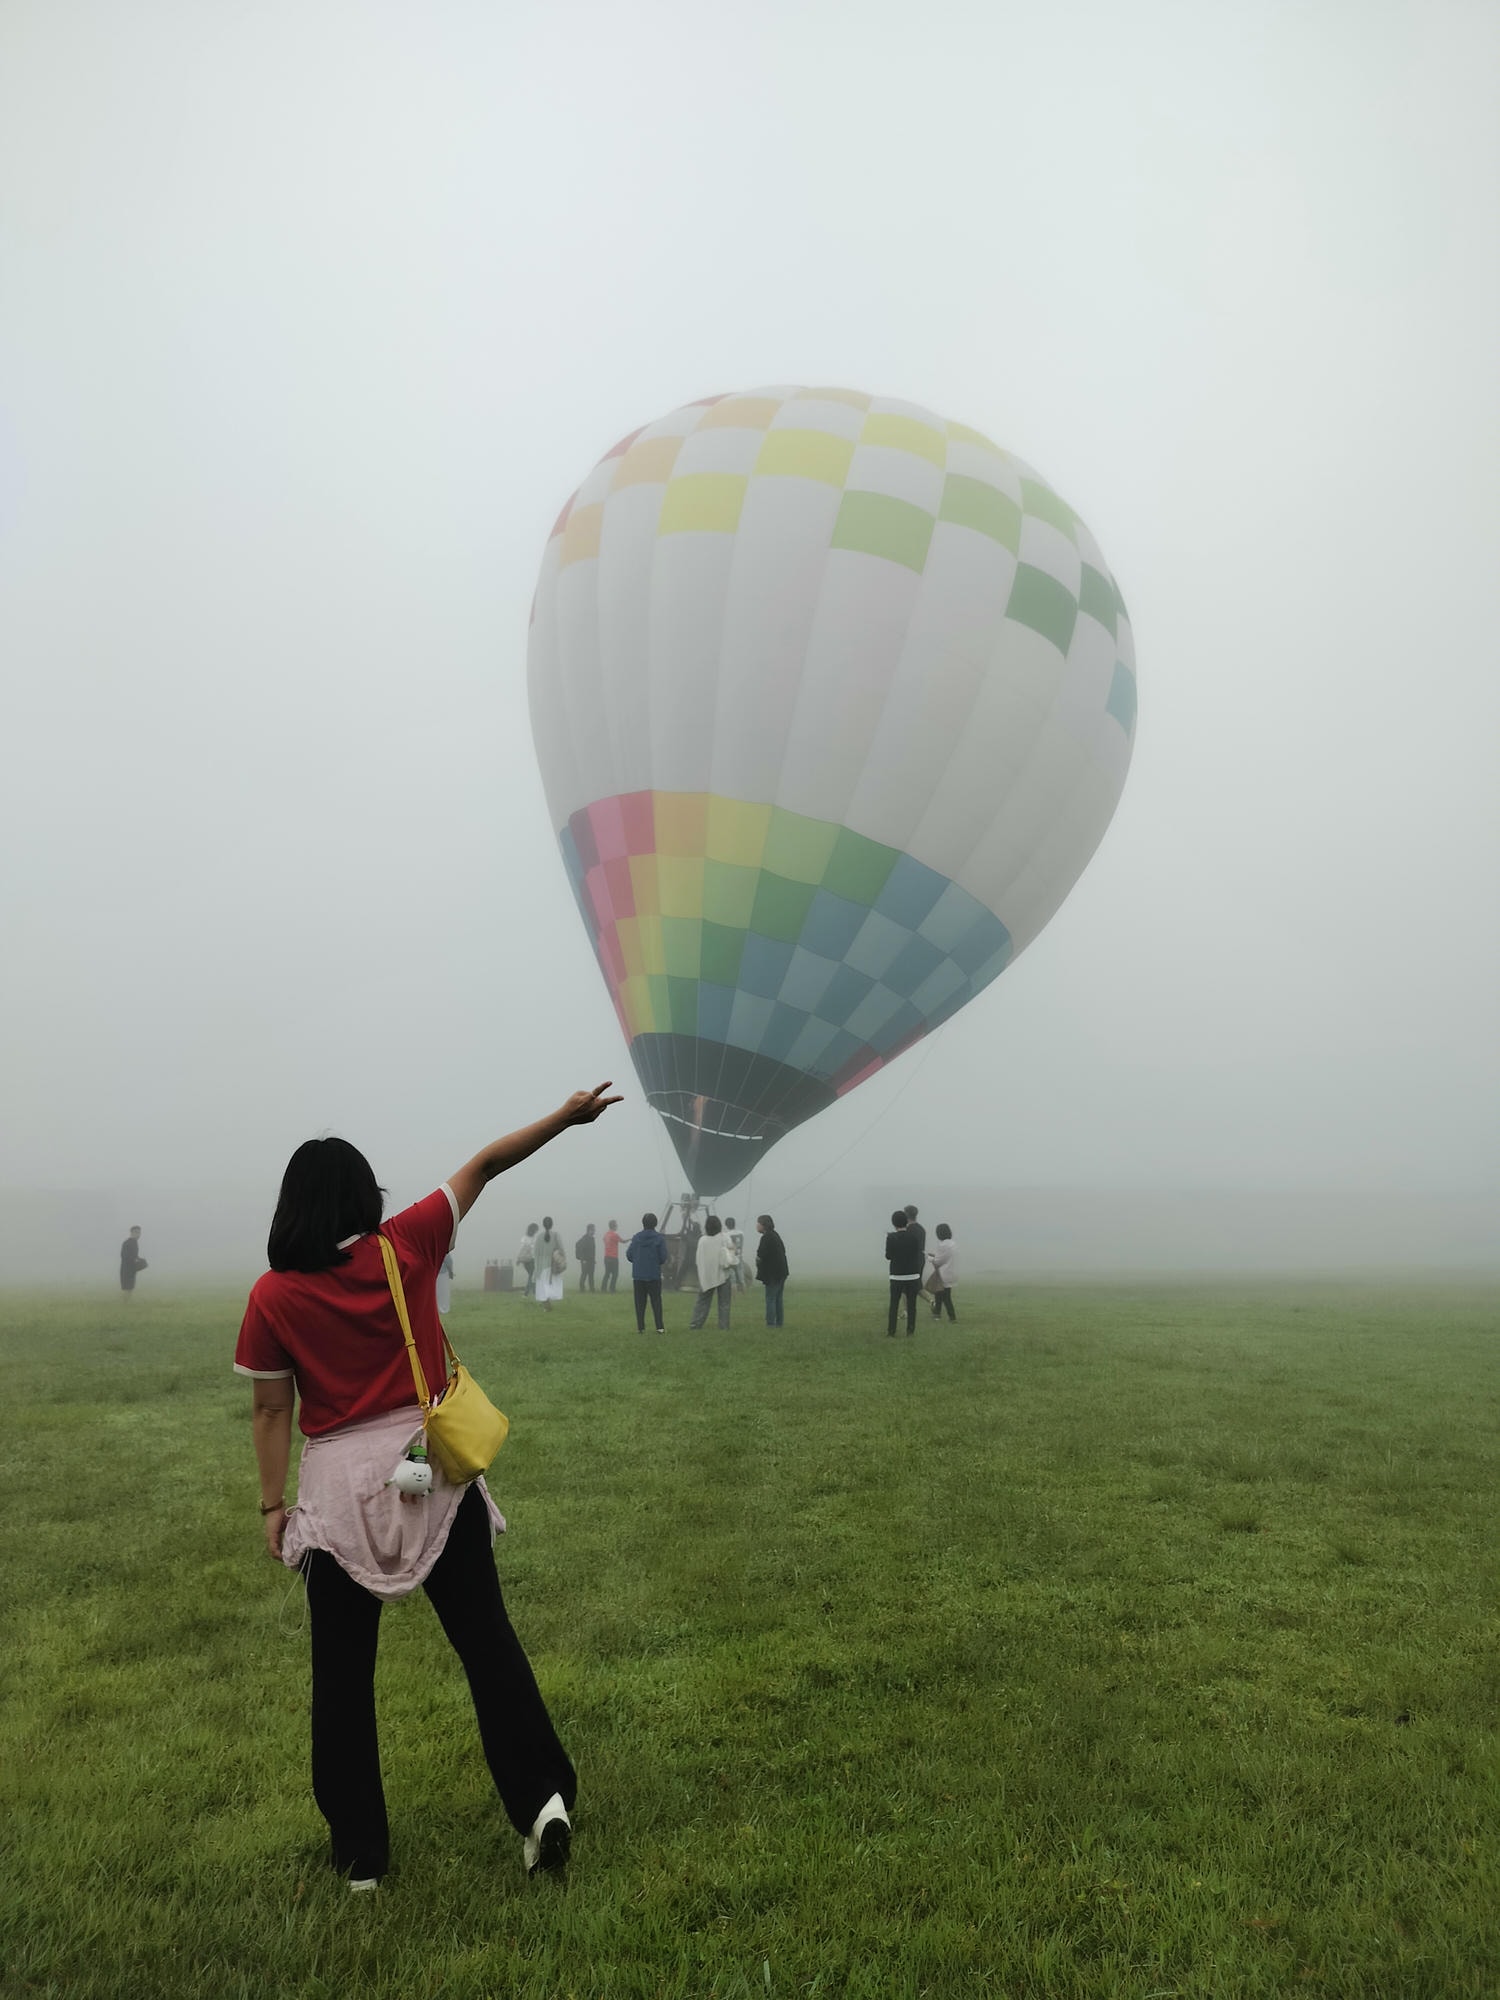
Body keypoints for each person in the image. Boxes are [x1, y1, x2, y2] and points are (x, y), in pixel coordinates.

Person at [234, 1081, 621, 1890]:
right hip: (431, 1467)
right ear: (363, 1197)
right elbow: (486, 1164)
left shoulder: (272, 1296)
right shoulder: (405, 1244)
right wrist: (566, 1117)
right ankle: (542, 1802)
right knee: (486, 1643)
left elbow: (272, 1409)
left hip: (337, 1495)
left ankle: (360, 1859)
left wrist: (273, 1507)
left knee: (343, 1677)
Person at [689, 1216, 734, 1330]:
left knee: (702, 1302)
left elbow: (698, 1259)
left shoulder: (702, 1240)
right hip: (723, 1274)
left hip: (707, 1275)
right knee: (724, 1303)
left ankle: (695, 1325)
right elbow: (731, 1254)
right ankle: (724, 1327)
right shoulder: (724, 1237)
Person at [625, 1213, 667, 1332]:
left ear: (643, 1223)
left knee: (639, 1303)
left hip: (638, 1275)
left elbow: (629, 1255)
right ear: (655, 1224)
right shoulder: (659, 1238)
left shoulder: (636, 1238)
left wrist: (638, 1260)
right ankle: (659, 1327)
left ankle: (641, 1327)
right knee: (656, 1302)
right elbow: (663, 1257)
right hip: (654, 1275)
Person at [885, 1208, 922, 1336]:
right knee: (912, 1305)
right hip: (912, 1275)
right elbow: (916, 1253)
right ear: (906, 1222)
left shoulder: (891, 1238)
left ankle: (891, 1332)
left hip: (896, 1276)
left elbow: (888, 1256)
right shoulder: (914, 1238)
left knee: (894, 1304)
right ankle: (910, 1331)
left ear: (894, 1223)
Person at [754, 1215, 788, 1326]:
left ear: (763, 1225)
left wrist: (758, 1263)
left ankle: (770, 1324)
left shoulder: (766, 1237)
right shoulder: (775, 1235)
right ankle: (779, 1323)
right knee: (778, 1298)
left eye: (758, 1223)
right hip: (782, 1272)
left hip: (772, 1273)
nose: (756, 1225)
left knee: (771, 1299)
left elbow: (760, 1255)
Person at [533, 1217, 565, 1312]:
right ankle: (547, 1306)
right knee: (551, 1286)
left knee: (543, 1287)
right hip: (552, 1266)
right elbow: (561, 1250)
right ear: (552, 1224)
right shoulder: (556, 1235)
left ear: (543, 1225)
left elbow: (536, 1253)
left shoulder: (539, 1237)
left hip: (541, 1266)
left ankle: (546, 1305)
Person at [927, 1224, 957, 1320]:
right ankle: (937, 1314)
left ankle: (952, 1317)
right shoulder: (953, 1244)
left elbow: (938, 1261)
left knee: (945, 1296)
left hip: (942, 1273)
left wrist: (930, 1258)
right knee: (939, 1293)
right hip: (951, 1273)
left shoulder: (943, 1245)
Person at [119, 1225, 147, 1297]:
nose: (138, 1234)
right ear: (131, 1232)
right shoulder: (128, 1242)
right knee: (127, 1289)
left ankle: (127, 1302)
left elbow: (134, 1256)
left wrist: (140, 1260)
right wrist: (135, 1260)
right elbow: (124, 1255)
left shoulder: (134, 1242)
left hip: (131, 1269)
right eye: (136, 1232)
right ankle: (124, 1303)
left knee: (130, 1288)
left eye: (139, 1233)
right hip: (126, 1269)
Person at [723, 1217, 747, 1292]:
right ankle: (744, 1292)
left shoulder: (726, 1235)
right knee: (741, 1275)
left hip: (731, 1257)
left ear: (726, 1225)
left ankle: (734, 1294)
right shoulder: (741, 1233)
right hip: (739, 1255)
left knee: (732, 1277)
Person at [516, 1223, 539, 1299]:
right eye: (536, 1230)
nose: (536, 1231)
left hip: (526, 1260)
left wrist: (519, 1259)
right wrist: (518, 1258)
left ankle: (534, 1292)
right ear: (534, 1230)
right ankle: (526, 1294)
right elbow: (522, 1248)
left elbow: (521, 1249)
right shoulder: (532, 1239)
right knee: (532, 1276)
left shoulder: (525, 1238)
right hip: (530, 1259)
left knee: (532, 1276)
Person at [575, 1224, 597, 1292]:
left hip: (591, 1260)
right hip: (585, 1260)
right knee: (584, 1274)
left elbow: (592, 1250)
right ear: (589, 1230)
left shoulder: (592, 1239)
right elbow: (580, 1249)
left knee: (591, 1275)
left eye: (594, 1230)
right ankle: (582, 1289)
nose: (594, 1231)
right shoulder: (584, 1239)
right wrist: (582, 1259)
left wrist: (594, 1259)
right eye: (593, 1230)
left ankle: (592, 1289)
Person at [601, 1220, 621, 1294]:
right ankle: (612, 1289)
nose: (617, 1226)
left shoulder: (606, 1234)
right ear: (614, 1226)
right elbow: (622, 1241)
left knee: (607, 1273)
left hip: (606, 1257)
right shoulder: (615, 1235)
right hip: (613, 1257)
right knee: (615, 1274)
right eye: (616, 1225)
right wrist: (631, 1239)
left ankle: (603, 1288)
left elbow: (604, 1240)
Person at [436, 1251, 454, 1316]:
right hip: (443, 1273)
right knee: (444, 1292)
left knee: (437, 1292)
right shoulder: (444, 1251)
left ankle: (438, 1308)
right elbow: (449, 1262)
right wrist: (451, 1272)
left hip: (436, 1273)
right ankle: (443, 1308)